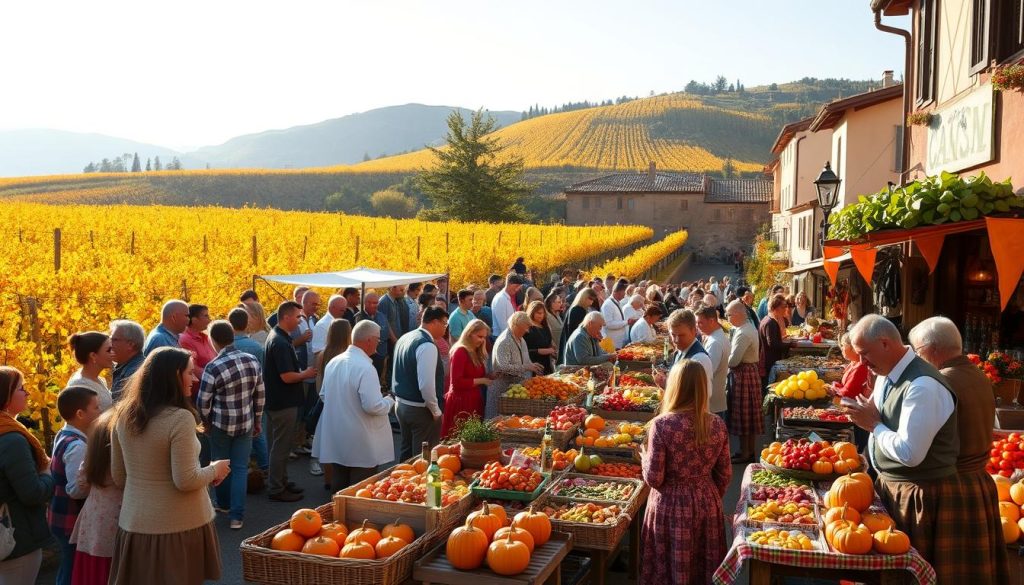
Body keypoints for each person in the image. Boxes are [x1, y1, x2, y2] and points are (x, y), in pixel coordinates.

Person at [843, 315, 964, 581]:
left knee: (912, 576)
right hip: (896, 488)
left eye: (864, 354)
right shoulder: (887, 373)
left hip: (921, 497)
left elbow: (910, 453)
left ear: (885, 343)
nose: (861, 362)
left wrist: (874, 425)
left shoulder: (922, 386)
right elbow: (884, 416)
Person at [108, 348, 229, 585]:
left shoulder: (123, 414)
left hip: (135, 523)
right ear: (174, 375)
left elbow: (119, 476)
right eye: (189, 373)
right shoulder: (179, 418)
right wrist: (215, 469)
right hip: (179, 525)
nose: (194, 379)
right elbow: (185, 480)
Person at [908, 317, 1009, 584]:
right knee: (973, 571)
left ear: (932, 349)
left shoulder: (939, 383)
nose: (917, 358)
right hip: (978, 483)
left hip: (949, 487)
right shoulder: (978, 374)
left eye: (917, 351)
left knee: (947, 572)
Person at [640, 359, 731, 585]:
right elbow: (725, 473)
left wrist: (643, 458)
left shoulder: (661, 425)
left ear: (674, 386)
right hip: (706, 502)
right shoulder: (717, 424)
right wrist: (708, 495)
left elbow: (654, 478)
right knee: (703, 567)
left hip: (669, 505)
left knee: (668, 569)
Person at [197, 321, 264, 530]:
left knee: (220, 466)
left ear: (212, 340)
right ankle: (237, 516)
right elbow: (260, 394)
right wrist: (258, 419)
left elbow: (203, 401)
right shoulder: (251, 360)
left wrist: (205, 422)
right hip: (245, 422)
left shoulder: (213, 366)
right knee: (240, 468)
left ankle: (224, 505)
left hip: (221, 424)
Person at [318, 320, 395, 491]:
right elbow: (373, 406)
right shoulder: (365, 368)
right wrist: (390, 401)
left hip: (338, 434)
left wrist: (343, 405)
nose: (378, 343)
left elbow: (324, 395)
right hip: (361, 438)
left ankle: (336, 516)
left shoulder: (334, 361)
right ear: (368, 340)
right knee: (361, 488)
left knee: (339, 483)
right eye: (378, 339)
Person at [0, 367, 55, 585]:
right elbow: (32, 493)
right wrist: (48, 475)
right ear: (5, 396)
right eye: (21, 388)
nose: (27, 393)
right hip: (16, 538)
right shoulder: (12, 439)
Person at [263, 301, 317, 503]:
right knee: (281, 447)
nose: (300, 320)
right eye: (297, 316)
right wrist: (306, 374)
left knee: (280, 445)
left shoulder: (280, 337)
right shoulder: (280, 342)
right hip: (283, 403)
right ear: (286, 317)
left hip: (280, 401)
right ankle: (276, 487)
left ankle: (282, 481)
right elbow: (286, 376)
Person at [49, 386, 101, 585]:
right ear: (80, 414)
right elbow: (75, 490)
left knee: (67, 566)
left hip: (61, 517)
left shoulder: (64, 435)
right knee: (71, 569)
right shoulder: (78, 446)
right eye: (96, 408)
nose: (100, 412)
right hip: (70, 520)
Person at [68, 410, 122, 585]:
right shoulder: (119, 460)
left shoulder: (91, 456)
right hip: (116, 519)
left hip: (92, 520)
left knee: (92, 572)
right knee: (112, 571)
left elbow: (81, 482)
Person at [393, 307, 448, 459]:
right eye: (444, 324)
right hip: (421, 410)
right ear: (434, 322)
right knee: (424, 458)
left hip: (402, 404)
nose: (445, 328)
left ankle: (402, 481)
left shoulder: (405, 337)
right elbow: (426, 385)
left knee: (406, 452)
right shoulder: (426, 345)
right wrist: (436, 411)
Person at [311, 319, 352, 490]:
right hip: (342, 408)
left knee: (326, 445)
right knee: (343, 445)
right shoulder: (346, 356)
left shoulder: (323, 354)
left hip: (326, 406)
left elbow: (319, 383)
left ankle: (328, 480)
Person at [441, 319, 492, 438]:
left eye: (484, 337)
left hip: (474, 399)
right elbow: (457, 382)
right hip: (461, 402)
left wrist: (490, 376)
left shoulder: (475, 350)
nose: (482, 340)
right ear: (469, 333)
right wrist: (482, 381)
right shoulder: (460, 351)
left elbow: (476, 375)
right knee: (458, 440)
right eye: (479, 336)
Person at [725, 300, 762, 463]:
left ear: (739, 314)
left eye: (729, 314)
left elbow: (733, 361)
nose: (727, 318)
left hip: (743, 374)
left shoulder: (743, 333)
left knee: (743, 415)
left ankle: (745, 453)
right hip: (749, 372)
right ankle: (747, 451)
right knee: (748, 415)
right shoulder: (747, 327)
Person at [490, 312, 545, 418]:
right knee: (498, 421)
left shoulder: (521, 339)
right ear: (516, 324)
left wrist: (533, 365)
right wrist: (526, 367)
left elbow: (525, 360)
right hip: (502, 389)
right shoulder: (505, 341)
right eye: (526, 327)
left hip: (515, 389)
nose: (527, 331)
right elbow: (504, 367)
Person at [663, 310, 713, 392]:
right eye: (673, 335)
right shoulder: (680, 351)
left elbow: (703, 395)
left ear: (694, 331)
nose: (676, 340)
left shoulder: (699, 359)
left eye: (681, 335)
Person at [66, 331, 114, 411]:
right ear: (93, 356)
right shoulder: (81, 385)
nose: (113, 353)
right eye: (109, 350)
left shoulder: (98, 379)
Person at [695, 305, 728, 417]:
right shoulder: (716, 337)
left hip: (712, 403)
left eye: (700, 323)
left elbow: (706, 372)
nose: (698, 326)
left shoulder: (715, 342)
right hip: (714, 400)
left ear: (712, 321)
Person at [558, 287, 598, 364]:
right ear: (584, 297)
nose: (591, 302)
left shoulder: (577, 309)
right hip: (576, 347)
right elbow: (576, 331)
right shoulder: (578, 310)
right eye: (590, 299)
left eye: (593, 300)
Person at [378, 285, 409, 386]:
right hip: (390, 340)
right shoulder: (384, 302)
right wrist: (394, 339)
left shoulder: (395, 301)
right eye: (401, 289)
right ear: (392, 288)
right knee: (389, 364)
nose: (403, 291)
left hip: (397, 338)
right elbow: (385, 322)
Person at [356, 292, 390, 381]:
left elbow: (387, 334)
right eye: (369, 302)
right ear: (364, 303)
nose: (372, 305)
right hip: (365, 358)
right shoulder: (358, 317)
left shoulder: (382, 316)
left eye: (375, 303)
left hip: (381, 356)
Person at [108, 320, 145, 402]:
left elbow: (125, 411)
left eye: (114, 340)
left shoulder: (135, 373)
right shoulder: (125, 367)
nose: (109, 344)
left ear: (130, 345)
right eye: (110, 339)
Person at [178, 304, 215, 374]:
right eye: (206, 316)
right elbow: (193, 368)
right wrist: (213, 377)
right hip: (202, 383)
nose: (210, 319)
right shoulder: (185, 340)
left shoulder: (205, 336)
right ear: (194, 320)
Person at [523, 301, 556, 375]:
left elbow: (549, 343)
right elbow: (524, 351)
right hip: (534, 366)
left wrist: (552, 350)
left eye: (543, 313)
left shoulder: (545, 326)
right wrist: (540, 351)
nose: (541, 315)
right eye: (538, 313)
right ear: (532, 312)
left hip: (547, 364)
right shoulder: (527, 328)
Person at [491, 273, 524, 339]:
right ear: (509, 283)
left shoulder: (507, 297)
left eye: (519, 287)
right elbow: (503, 325)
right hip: (502, 337)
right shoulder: (500, 299)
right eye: (516, 286)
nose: (517, 289)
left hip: (508, 336)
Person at [601, 282, 632, 349]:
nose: (625, 295)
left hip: (619, 342)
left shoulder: (617, 302)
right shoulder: (608, 305)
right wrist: (626, 322)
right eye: (624, 292)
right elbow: (608, 324)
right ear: (619, 292)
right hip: (613, 343)